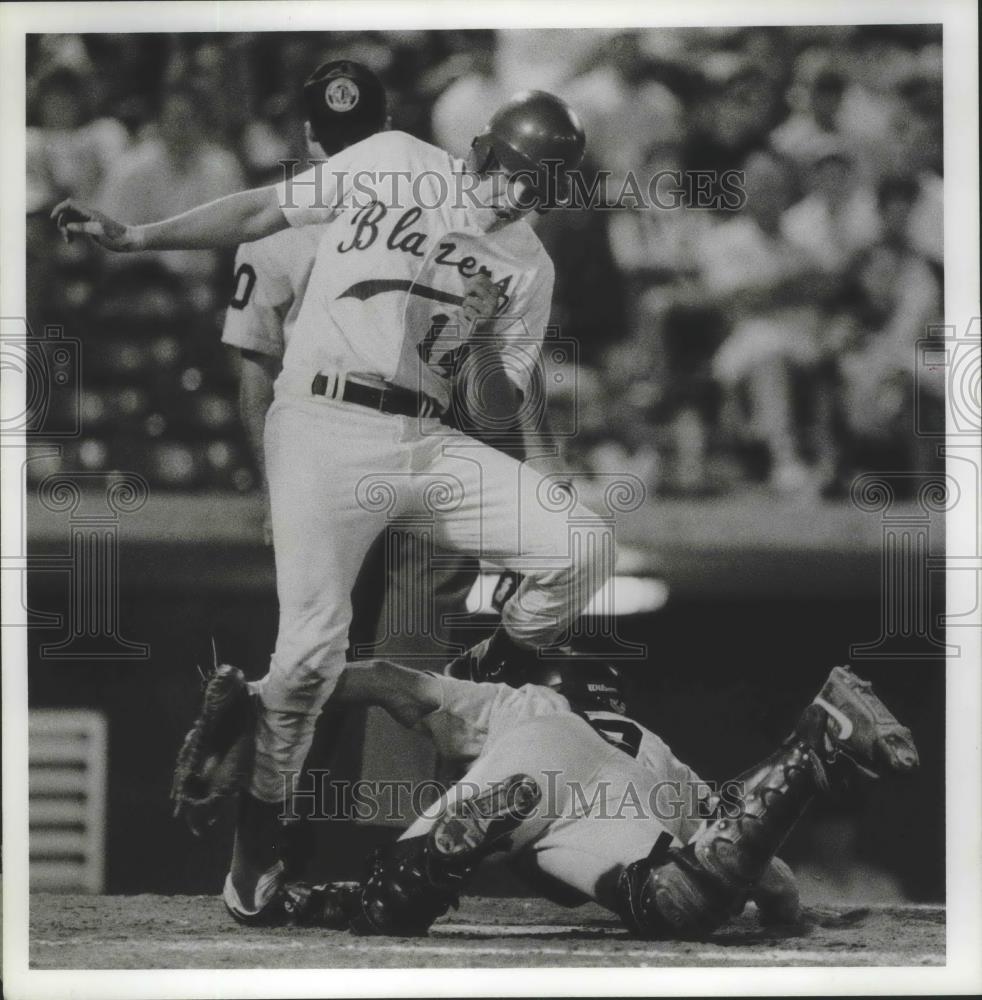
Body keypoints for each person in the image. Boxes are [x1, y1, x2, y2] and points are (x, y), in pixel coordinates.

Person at [55, 88, 609, 920]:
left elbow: (490, 400)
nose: (526, 196)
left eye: (544, 188)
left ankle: (486, 678)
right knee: (309, 656)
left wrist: (482, 343)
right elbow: (259, 213)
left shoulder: (529, 262)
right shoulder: (392, 158)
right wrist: (138, 237)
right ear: (488, 152)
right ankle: (254, 869)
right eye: (521, 177)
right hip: (322, 421)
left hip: (426, 439)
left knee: (582, 546)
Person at [227, 657, 918, 938]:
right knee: (683, 903)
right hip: (618, 798)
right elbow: (771, 876)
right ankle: (804, 753)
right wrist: (791, 920)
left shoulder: (527, 700)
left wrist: (269, 700)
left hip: (537, 754)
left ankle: (429, 864)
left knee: (391, 901)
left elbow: (383, 679)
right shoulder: (659, 752)